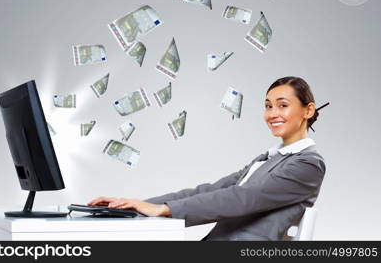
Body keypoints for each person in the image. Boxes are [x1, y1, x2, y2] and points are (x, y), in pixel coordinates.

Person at [88, 76, 329, 240]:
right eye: (268, 106)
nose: (272, 114)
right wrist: (133, 206)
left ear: (308, 110)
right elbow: (209, 190)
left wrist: (163, 210)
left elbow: (242, 199)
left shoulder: (307, 164)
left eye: (282, 105)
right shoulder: (268, 158)